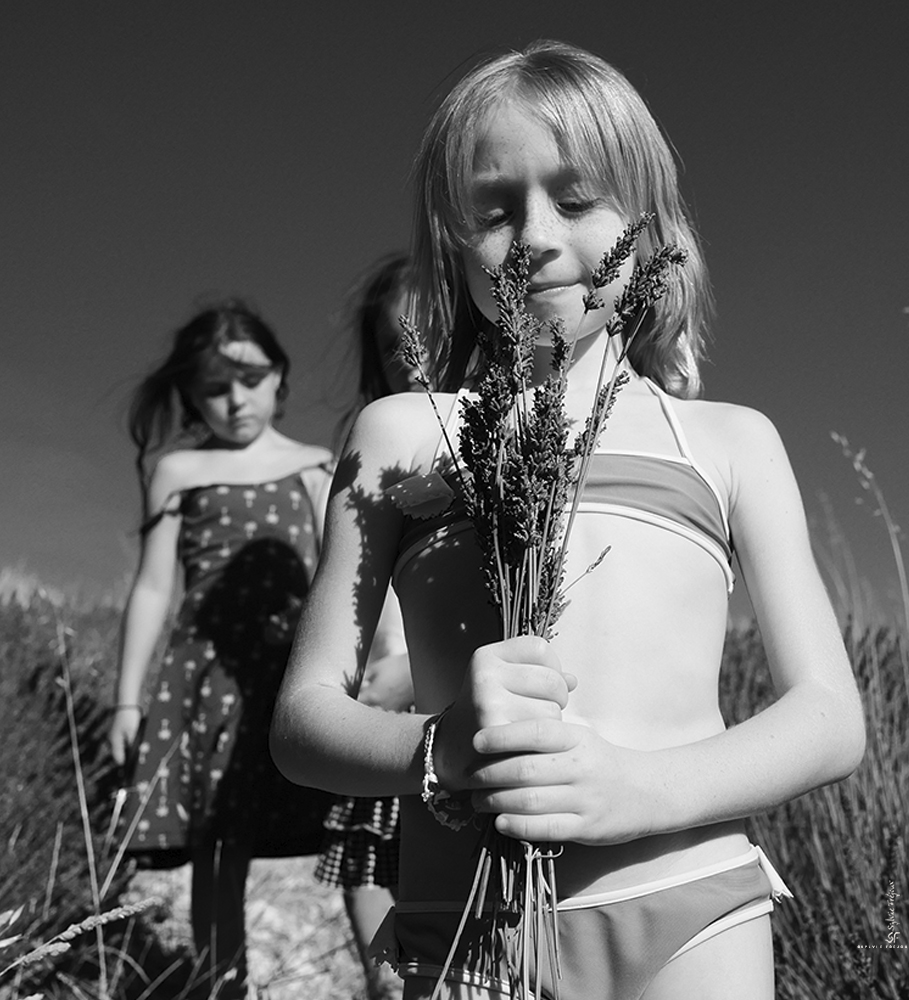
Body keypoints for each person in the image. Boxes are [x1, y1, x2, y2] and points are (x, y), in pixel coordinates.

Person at [271, 40, 866, 1000]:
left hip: (689, 905)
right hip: (464, 919)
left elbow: (830, 720)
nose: (536, 235)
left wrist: (637, 791)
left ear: (649, 225)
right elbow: (302, 723)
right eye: (494, 208)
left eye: (578, 199)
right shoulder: (400, 435)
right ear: (449, 241)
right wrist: (439, 749)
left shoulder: (727, 441)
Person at [110, 299, 335, 1000]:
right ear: (189, 393)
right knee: (213, 841)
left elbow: (341, 580)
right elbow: (153, 589)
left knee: (284, 830)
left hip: (282, 676)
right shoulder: (177, 471)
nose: (234, 400)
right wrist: (126, 698)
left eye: (249, 377)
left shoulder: (318, 467)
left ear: (279, 377)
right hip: (198, 679)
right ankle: (219, 983)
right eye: (213, 386)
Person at [317, 253, 417, 1000]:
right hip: (379, 717)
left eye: (435, 331)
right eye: (394, 345)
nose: (414, 355)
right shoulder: (371, 457)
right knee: (368, 862)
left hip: (459, 710)